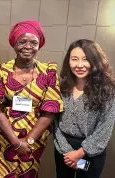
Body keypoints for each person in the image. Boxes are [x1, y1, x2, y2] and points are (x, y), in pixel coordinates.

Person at [0, 20, 64, 178]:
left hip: (33, 142)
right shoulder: (0, 69)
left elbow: (51, 109)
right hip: (2, 138)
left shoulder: (48, 72)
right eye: (22, 42)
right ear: (14, 44)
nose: (28, 46)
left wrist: (28, 141)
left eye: (33, 42)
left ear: (39, 45)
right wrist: (15, 141)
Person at [53, 39, 115, 178]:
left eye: (86, 59)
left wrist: (79, 154)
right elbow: (55, 122)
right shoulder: (61, 87)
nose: (79, 65)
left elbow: (105, 128)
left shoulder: (108, 90)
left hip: (91, 153)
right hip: (64, 150)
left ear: (95, 60)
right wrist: (68, 152)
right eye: (74, 59)